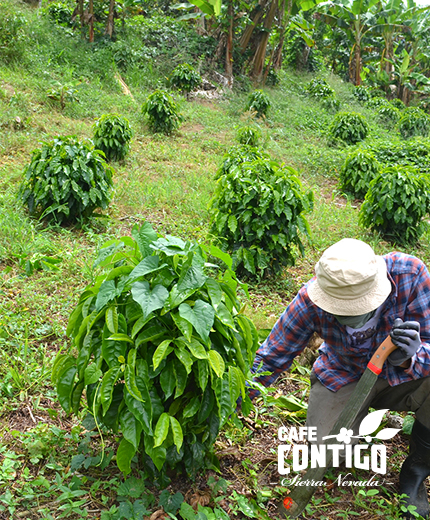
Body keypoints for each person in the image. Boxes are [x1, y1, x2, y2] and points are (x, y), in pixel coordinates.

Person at [251, 238, 430, 518]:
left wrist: (409, 357)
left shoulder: (410, 275)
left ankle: (416, 473)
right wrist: (230, 401)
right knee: (331, 452)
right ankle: (355, 429)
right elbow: (272, 357)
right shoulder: (310, 301)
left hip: (403, 377)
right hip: (343, 374)